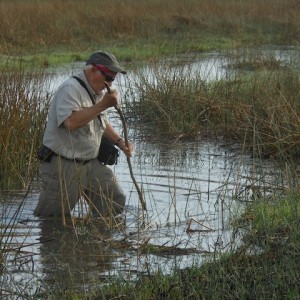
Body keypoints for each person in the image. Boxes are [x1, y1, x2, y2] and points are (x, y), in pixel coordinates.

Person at [34, 51, 133, 219]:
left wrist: (119, 141)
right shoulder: (70, 89)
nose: (109, 83)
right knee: (52, 219)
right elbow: (71, 123)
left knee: (114, 200)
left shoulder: (100, 93)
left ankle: (96, 241)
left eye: (113, 79)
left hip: (91, 163)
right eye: (107, 77)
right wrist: (103, 105)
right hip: (64, 165)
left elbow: (102, 122)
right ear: (93, 69)